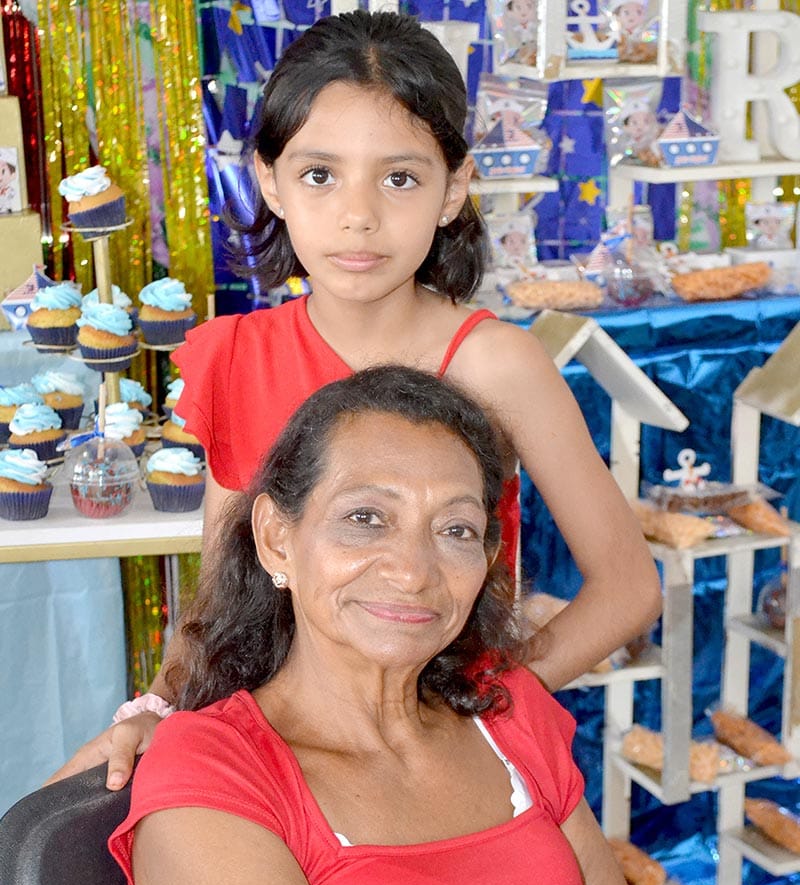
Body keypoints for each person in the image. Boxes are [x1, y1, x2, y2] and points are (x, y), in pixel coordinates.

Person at [49, 9, 661, 789]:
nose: (358, 215)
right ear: (269, 180)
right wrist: (156, 709)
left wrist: (482, 712)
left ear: (453, 189)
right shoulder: (233, 355)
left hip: (435, 774)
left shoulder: (497, 365)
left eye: (399, 178)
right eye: (320, 174)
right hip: (272, 758)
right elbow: (217, 610)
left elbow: (627, 587)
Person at [109, 367, 772, 885]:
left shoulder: (503, 710)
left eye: (455, 530)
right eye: (366, 518)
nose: (414, 571)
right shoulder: (210, 769)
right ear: (277, 538)